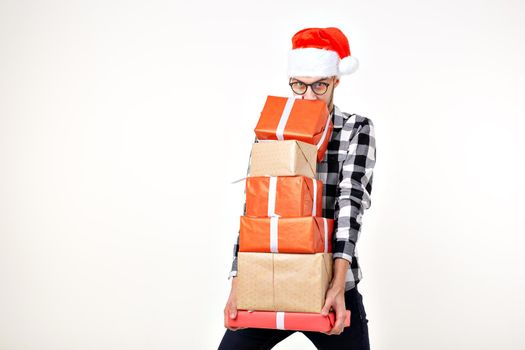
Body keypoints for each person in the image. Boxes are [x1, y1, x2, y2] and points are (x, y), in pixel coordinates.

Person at [218, 27, 376, 350]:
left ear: (336, 81)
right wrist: (239, 279)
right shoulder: (271, 133)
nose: (307, 96)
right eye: (299, 85)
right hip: (269, 279)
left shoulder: (355, 130)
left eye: (319, 85)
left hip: (331, 285)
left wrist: (336, 284)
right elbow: (254, 210)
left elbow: (350, 204)